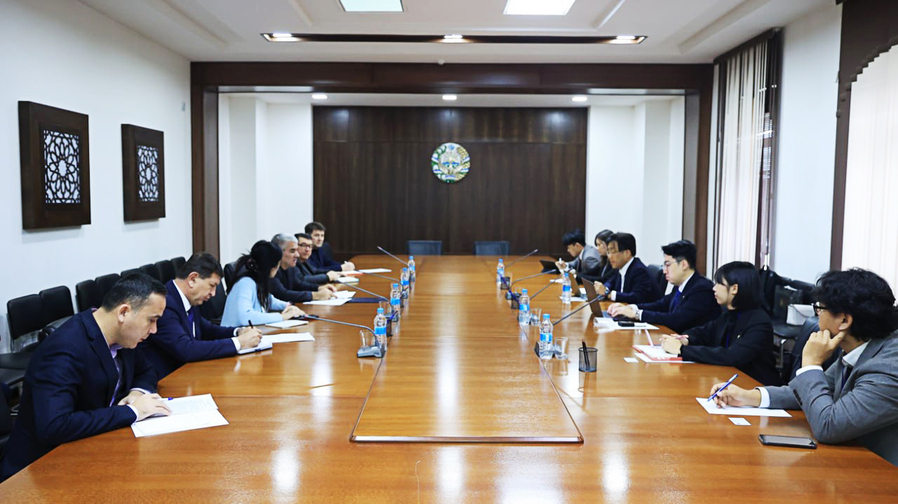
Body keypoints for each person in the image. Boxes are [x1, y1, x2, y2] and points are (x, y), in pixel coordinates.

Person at [710, 269, 898, 466]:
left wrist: (811, 365)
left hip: (883, 475)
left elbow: (829, 426)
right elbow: (813, 390)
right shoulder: (860, 346)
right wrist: (750, 396)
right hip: (852, 460)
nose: (816, 315)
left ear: (844, 320)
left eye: (820, 308)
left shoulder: (889, 365)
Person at [0, 274, 173, 481]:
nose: (154, 330)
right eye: (151, 320)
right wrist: (132, 411)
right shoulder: (64, 349)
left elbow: (147, 370)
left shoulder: (122, 336)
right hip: (41, 471)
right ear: (124, 312)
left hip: (95, 448)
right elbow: (55, 426)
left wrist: (137, 392)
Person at [139, 253, 264, 379]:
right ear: (193, 279)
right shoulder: (165, 304)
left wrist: (238, 332)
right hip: (167, 381)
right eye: (212, 285)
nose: (213, 293)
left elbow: (207, 329)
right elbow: (186, 349)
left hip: (189, 374)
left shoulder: (188, 299)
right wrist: (239, 343)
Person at [659, 261, 780, 386]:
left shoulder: (758, 321)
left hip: (755, 386)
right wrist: (685, 339)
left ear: (734, 289)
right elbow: (705, 332)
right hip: (729, 381)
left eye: (719, 284)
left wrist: (683, 350)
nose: (714, 288)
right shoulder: (730, 314)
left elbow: (732, 356)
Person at [608, 240, 719, 333]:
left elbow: (676, 319)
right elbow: (662, 304)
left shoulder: (701, 289)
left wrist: (637, 314)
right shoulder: (681, 285)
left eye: (668, 264)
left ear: (684, 264)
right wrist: (632, 307)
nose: (665, 271)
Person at [221, 240, 305, 327]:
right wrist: (282, 316)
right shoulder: (245, 283)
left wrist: (287, 306)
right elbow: (245, 317)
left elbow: (268, 300)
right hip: (233, 336)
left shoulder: (256, 280)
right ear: (273, 266)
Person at [594, 232, 662, 304]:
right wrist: (605, 290)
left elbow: (637, 297)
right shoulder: (620, 267)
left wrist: (610, 294)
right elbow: (610, 282)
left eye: (613, 252)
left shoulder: (639, 270)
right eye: (608, 252)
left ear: (627, 253)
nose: (609, 256)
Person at [270, 233, 336, 303]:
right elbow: (282, 294)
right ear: (278, 252)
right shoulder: (271, 269)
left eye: (296, 250)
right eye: (292, 251)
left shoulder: (290, 267)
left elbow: (298, 284)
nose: (297, 255)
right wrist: (314, 295)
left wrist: (318, 288)